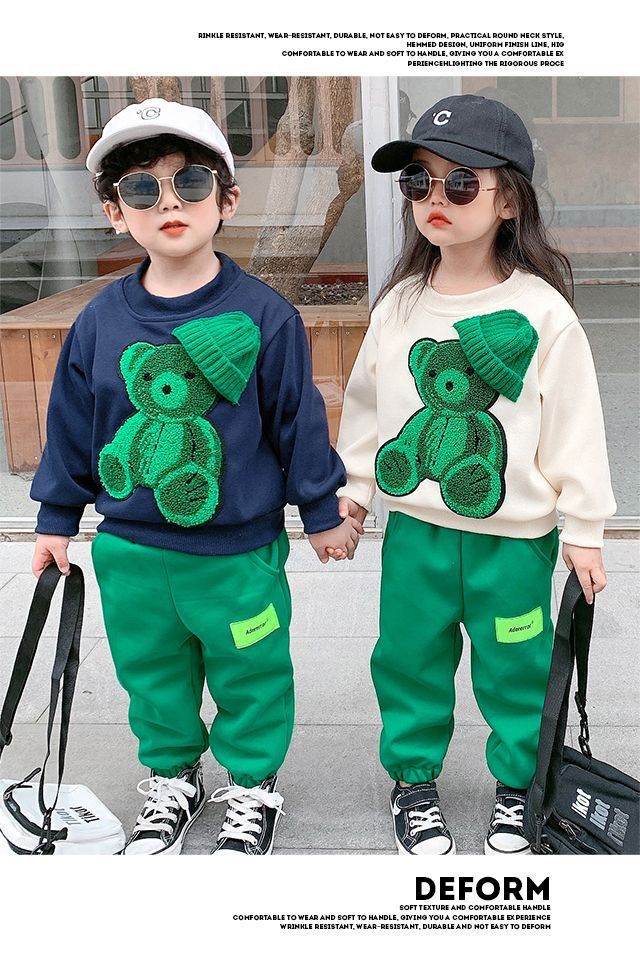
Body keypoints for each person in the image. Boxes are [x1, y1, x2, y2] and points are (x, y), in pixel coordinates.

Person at [30, 98, 362, 856]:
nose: (168, 202)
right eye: (141, 189)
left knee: (252, 669)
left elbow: (297, 419)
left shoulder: (266, 317)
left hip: (237, 555)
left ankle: (252, 784)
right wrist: (55, 518)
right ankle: (173, 775)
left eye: (190, 182)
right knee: (152, 673)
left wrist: (320, 510)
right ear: (116, 214)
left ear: (227, 199)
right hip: (132, 553)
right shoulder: (99, 322)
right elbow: (74, 424)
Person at [334, 94, 616, 856]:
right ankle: (413, 781)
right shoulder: (399, 306)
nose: (436, 197)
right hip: (416, 535)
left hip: (512, 542)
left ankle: (519, 785)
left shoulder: (542, 312)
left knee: (516, 665)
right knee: (408, 659)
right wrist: (354, 495)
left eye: (462, 182)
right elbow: (368, 409)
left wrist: (585, 528)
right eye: (418, 181)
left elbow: (575, 424)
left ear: (508, 199)